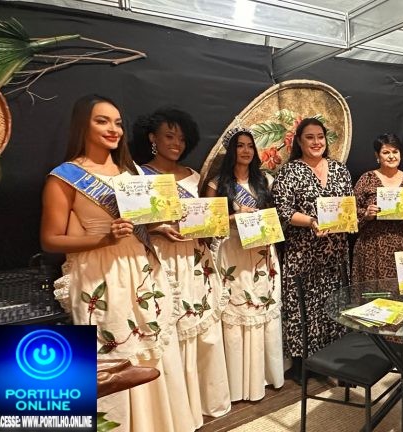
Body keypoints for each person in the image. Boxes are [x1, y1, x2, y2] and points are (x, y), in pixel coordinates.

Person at [41, 94, 196, 431]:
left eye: (118, 122)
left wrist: (159, 226)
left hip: (140, 268)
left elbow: (140, 222)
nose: (113, 129)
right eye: (102, 121)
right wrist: (104, 239)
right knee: (113, 358)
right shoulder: (64, 177)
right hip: (100, 275)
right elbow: (51, 240)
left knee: (152, 347)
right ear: (83, 125)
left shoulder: (132, 171)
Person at [131, 107, 231, 420]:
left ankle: (206, 401)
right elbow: (133, 224)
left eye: (182, 138)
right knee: (171, 331)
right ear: (152, 138)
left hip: (196, 259)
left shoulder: (193, 176)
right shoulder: (138, 176)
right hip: (162, 260)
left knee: (204, 330)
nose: (176, 143)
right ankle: (179, 411)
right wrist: (156, 228)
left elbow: (202, 217)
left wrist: (215, 224)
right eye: (169, 136)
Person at [203, 127, 284, 401]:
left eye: (250, 145)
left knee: (262, 307)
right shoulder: (217, 184)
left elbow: (277, 216)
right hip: (232, 251)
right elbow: (207, 223)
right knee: (238, 309)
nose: (246, 150)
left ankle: (266, 375)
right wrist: (234, 217)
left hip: (262, 252)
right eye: (240, 145)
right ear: (232, 151)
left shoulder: (266, 180)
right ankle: (237, 384)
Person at [272, 118, 352, 379]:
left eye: (320, 136)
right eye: (310, 137)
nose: (317, 142)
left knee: (334, 304)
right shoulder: (289, 171)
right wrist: (311, 222)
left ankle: (335, 359)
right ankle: (305, 365)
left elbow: (348, 205)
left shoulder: (340, 169)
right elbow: (283, 211)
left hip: (335, 253)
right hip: (303, 254)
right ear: (299, 141)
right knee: (304, 308)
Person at [352, 133, 403, 281]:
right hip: (372, 249)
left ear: (400, 154)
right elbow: (351, 214)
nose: (391, 156)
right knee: (373, 293)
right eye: (386, 152)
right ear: (377, 156)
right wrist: (366, 214)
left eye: (395, 152)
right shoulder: (367, 179)